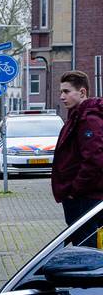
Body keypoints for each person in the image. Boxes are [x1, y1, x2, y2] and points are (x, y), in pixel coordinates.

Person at [51, 70, 103, 226]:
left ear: (82, 92)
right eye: (61, 92)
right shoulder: (76, 117)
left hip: (86, 199)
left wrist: (75, 191)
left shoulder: (89, 120)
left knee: (85, 247)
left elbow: (95, 160)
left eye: (66, 91)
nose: (61, 97)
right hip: (81, 198)